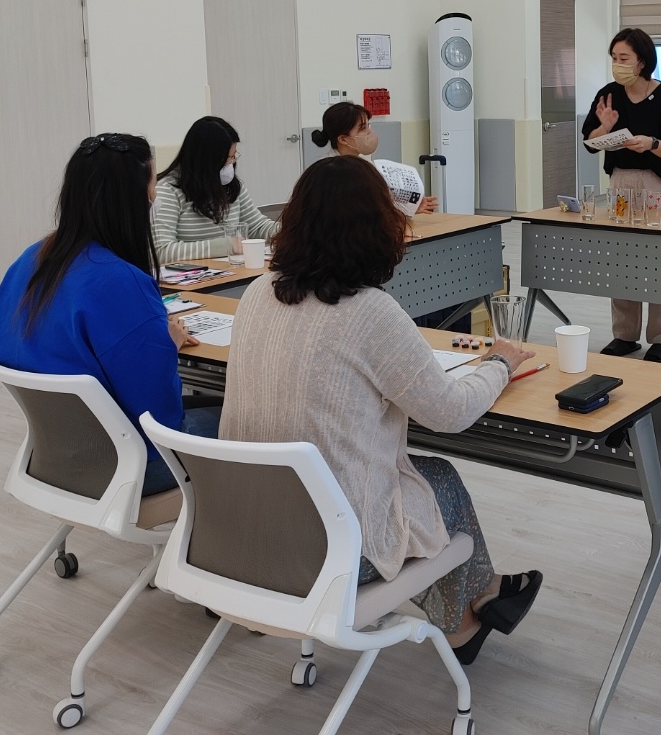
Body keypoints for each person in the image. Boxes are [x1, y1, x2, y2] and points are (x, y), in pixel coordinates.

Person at [221, 156, 542, 663]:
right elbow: (452, 413)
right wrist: (499, 364)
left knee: (421, 482)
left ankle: (482, 597)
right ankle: (466, 620)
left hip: (242, 537)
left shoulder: (257, 293)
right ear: (379, 224)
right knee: (439, 482)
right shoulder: (369, 312)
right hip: (328, 552)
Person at [0, 133, 220, 497]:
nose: (155, 194)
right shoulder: (120, 281)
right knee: (250, 421)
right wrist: (166, 347)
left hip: (55, 455)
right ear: (133, 196)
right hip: (128, 465)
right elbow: (160, 415)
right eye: (153, 182)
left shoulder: (31, 259)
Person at [580, 28, 661, 363]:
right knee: (622, 259)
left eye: (624, 58)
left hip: (658, 185)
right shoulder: (608, 94)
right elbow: (590, 141)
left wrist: (651, 144)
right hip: (621, 183)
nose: (617, 64)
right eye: (614, 58)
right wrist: (605, 126)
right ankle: (625, 335)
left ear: (642, 61)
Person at [152, 115, 280, 263]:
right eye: (227, 158)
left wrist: (290, 231)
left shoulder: (232, 187)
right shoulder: (168, 190)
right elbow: (161, 251)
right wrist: (224, 246)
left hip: (232, 271)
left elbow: (257, 227)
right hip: (193, 276)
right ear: (206, 160)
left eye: (233, 156)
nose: (231, 163)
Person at [310, 100, 439, 213]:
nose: (369, 132)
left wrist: (410, 208)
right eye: (362, 128)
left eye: (368, 125)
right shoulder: (328, 172)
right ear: (343, 139)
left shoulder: (364, 164)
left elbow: (376, 205)